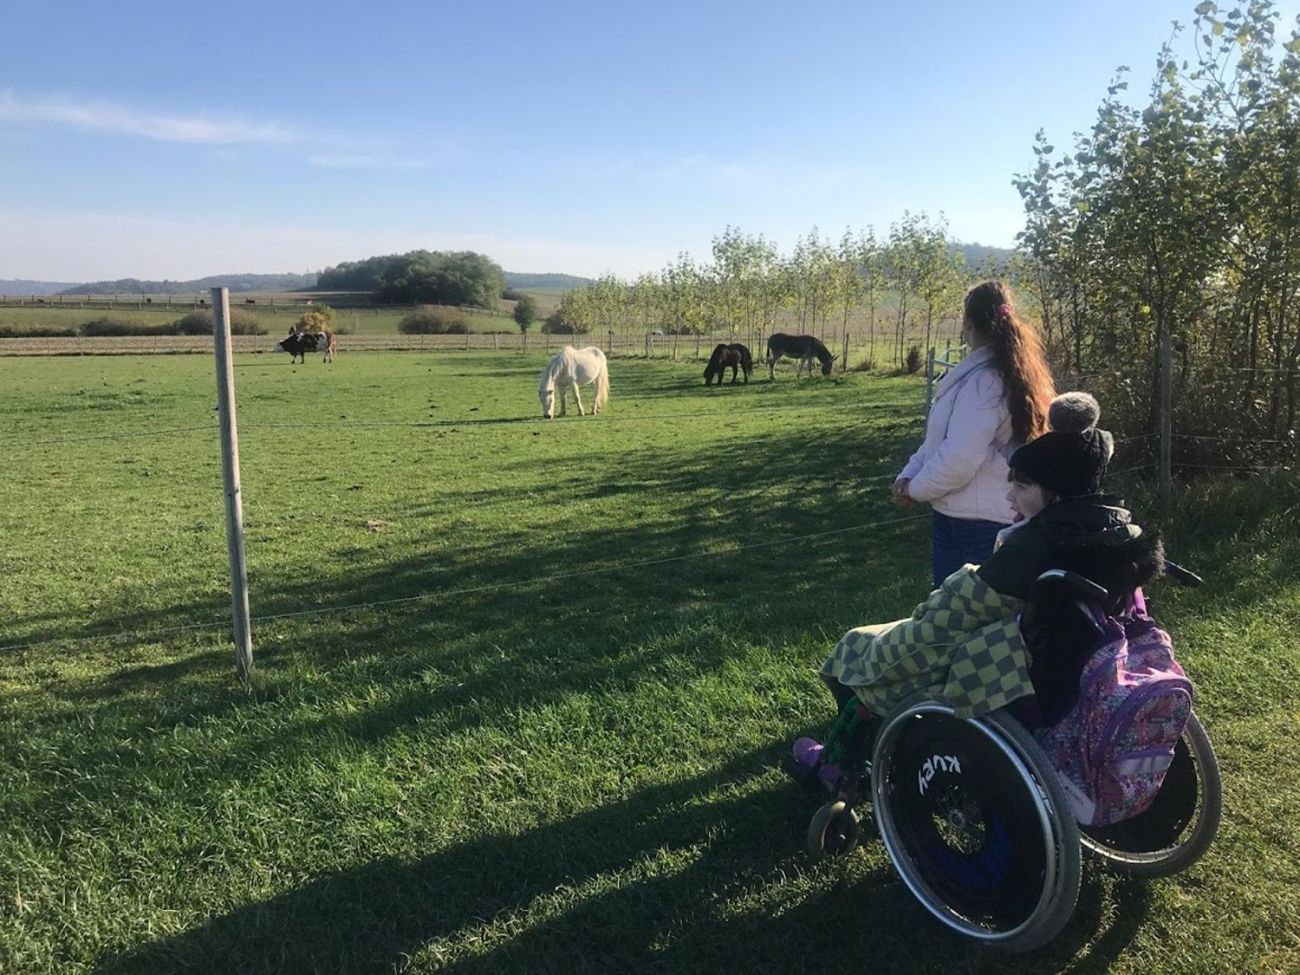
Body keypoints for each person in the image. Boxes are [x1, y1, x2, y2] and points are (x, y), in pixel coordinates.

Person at [794, 393, 1162, 776]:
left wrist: (896, 638)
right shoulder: (1111, 531)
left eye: (1021, 488)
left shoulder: (1031, 549)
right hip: (1068, 662)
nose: (1010, 496)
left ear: (1054, 492)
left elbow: (944, 623)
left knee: (856, 647)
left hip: (1002, 669)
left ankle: (844, 764)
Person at [892, 281, 1056, 589]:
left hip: (977, 523)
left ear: (967, 323)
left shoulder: (984, 382)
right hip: (970, 513)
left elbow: (959, 458)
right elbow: (938, 440)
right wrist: (909, 474)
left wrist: (914, 489)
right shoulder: (997, 374)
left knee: (964, 612)